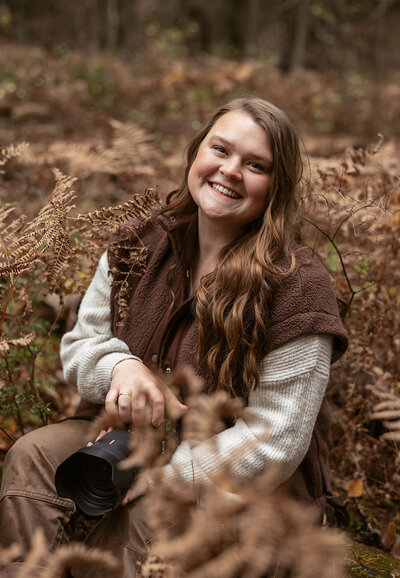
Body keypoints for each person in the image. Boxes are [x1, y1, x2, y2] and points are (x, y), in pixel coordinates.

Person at [0, 96, 348, 576]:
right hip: (129, 443)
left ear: (276, 187)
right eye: (220, 150)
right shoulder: (138, 244)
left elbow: (276, 440)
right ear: (196, 152)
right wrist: (119, 368)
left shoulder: (298, 286)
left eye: (256, 165)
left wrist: (174, 476)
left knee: (143, 521)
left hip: (234, 484)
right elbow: (81, 346)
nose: (230, 171)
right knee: (31, 457)